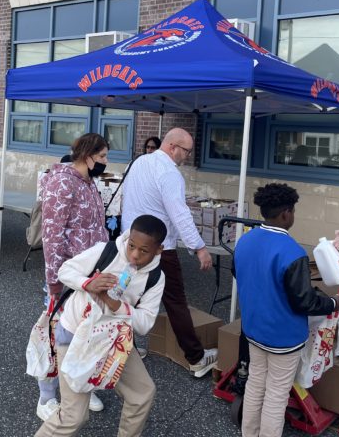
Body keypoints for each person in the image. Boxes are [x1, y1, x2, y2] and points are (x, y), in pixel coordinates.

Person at [34, 215, 167, 437]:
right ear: (128, 237)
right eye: (132, 246)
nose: (134, 254)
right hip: (76, 336)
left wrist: (115, 304)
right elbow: (65, 270)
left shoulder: (155, 277)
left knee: (142, 394)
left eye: (144, 251)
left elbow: (144, 324)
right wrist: (88, 283)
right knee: (73, 416)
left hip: (113, 342)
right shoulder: (107, 251)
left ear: (159, 250)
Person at [234, 183, 339, 437]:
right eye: (292, 211)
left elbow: (241, 274)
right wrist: (332, 303)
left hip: (253, 328)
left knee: (255, 383)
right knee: (276, 393)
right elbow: (304, 301)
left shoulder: (245, 240)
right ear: (286, 213)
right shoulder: (292, 252)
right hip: (284, 336)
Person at [121, 127, 216, 378]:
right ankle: (196, 357)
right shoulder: (170, 174)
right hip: (161, 247)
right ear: (173, 147)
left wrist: (126, 241)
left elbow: (126, 199)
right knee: (175, 301)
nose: (186, 156)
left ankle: (124, 347)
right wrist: (199, 247)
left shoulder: (139, 162)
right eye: (186, 151)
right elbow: (180, 213)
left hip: (131, 242)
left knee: (129, 295)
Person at [38, 133, 110, 419]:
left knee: (86, 334)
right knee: (57, 335)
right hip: (68, 276)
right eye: (102, 156)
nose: (105, 162)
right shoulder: (62, 182)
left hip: (91, 275)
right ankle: (46, 397)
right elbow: (52, 234)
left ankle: (80, 386)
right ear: (87, 155)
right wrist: (54, 278)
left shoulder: (89, 183)